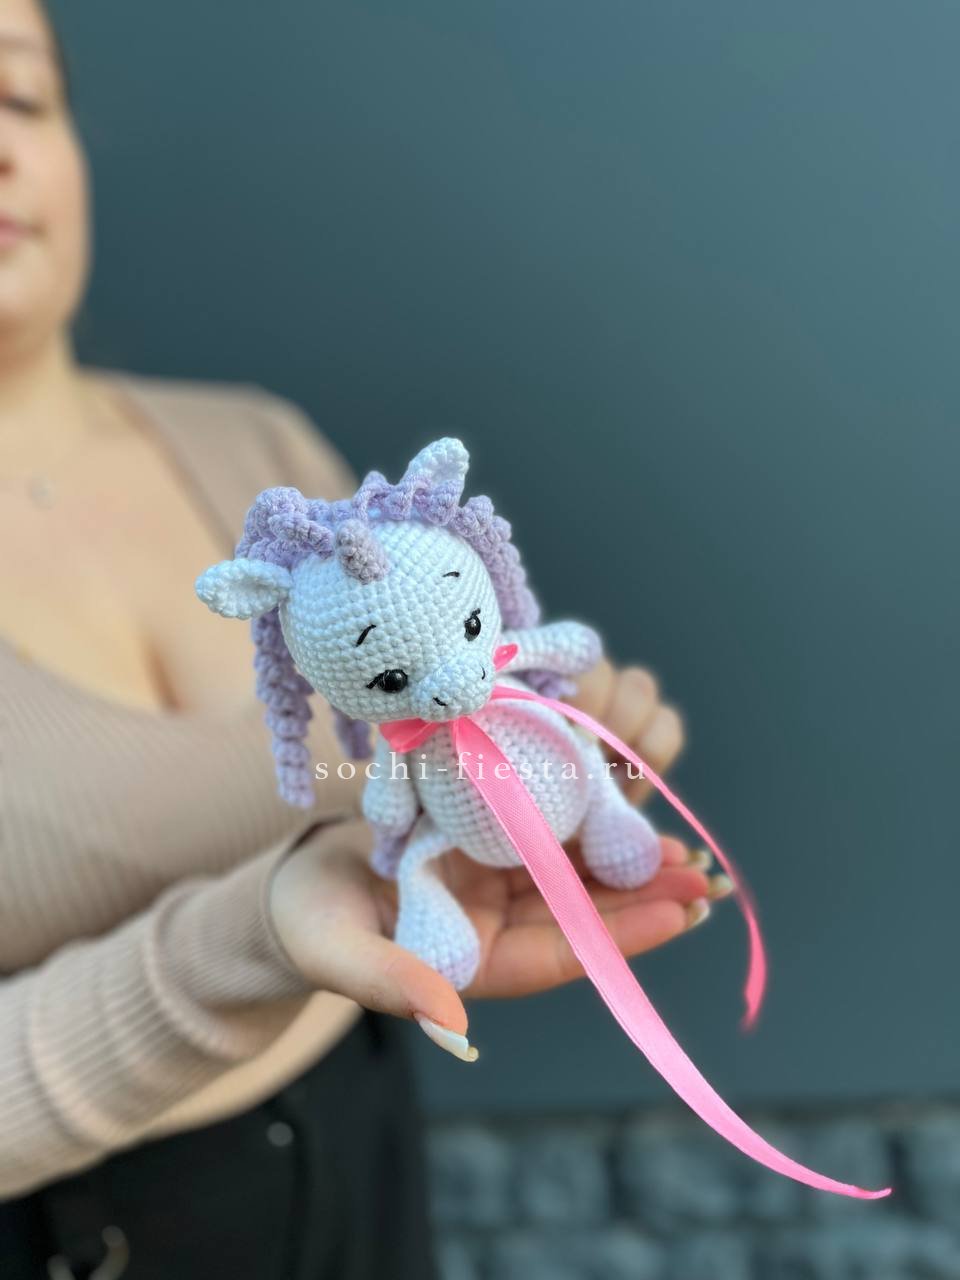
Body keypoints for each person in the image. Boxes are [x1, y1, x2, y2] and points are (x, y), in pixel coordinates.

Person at [0, 1, 727, 1274]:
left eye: (18, 97)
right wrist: (256, 934)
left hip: (359, 1145)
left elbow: (405, 736)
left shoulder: (261, 453)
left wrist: (548, 750)